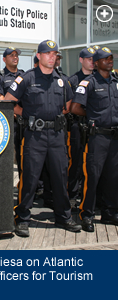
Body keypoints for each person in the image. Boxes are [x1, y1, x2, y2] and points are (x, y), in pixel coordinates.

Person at [4, 40, 81, 237]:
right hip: (34, 136)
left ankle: (63, 217)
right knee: (29, 178)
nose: (52, 57)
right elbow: (8, 101)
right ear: (39, 56)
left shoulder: (62, 80)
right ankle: (22, 218)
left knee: (59, 176)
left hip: (57, 136)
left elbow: (68, 104)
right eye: (48, 54)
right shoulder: (27, 78)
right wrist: (27, 116)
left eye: (55, 54)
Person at [71, 47, 118, 232]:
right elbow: (75, 107)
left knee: (113, 178)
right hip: (97, 137)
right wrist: (93, 118)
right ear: (96, 63)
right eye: (105, 59)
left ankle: (110, 212)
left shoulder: (116, 82)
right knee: (92, 177)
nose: (109, 61)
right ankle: (87, 215)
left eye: (111, 58)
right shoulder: (88, 82)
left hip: (115, 138)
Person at [67, 47, 96, 202]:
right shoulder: (73, 80)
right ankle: (72, 195)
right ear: (81, 60)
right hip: (78, 127)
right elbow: (70, 106)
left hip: (95, 129)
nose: (92, 62)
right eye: (89, 59)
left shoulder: (99, 78)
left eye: (93, 59)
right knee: (75, 162)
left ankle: (90, 196)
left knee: (93, 163)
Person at [0, 47, 24, 177]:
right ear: (4, 59)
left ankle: (23, 183)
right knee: (5, 157)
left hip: (24, 123)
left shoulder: (24, 75)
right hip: (8, 122)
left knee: (23, 155)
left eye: (16, 55)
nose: (15, 57)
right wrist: (17, 113)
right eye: (11, 55)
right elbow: (0, 100)